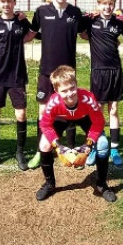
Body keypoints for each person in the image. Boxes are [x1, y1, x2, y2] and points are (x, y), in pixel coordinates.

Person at [27, 0, 88, 169]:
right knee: (44, 111)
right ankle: (40, 150)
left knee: (70, 110)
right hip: (46, 71)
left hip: (67, 73)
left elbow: (86, 34)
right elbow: (31, 32)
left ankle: (71, 151)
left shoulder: (76, 13)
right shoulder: (41, 11)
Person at [35, 65, 116, 203]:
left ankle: (102, 184)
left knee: (102, 143)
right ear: (56, 90)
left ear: (76, 84)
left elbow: (98, 122)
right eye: (64, 90)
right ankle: (50, 184)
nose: (70, 93)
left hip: (84, 117)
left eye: (72, 88)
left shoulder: (88, 98)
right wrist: (57, 146)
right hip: (61, 118)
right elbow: (45, 124)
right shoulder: (54, 102)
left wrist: (89, 143)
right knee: (44, 145)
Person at [0, 0, 37, 170]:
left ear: (14, 2)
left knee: (20, 113)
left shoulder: (21, 21)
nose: (6, 4)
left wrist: (26, 23)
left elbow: (32, 33)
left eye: (9, 1)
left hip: (17, 75)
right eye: (3, 1)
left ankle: (20, 152)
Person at [80, 0, 123, 166]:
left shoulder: (117, 23)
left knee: (114, 110)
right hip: (98, 72)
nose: (107, 7)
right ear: (98, 5)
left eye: (110, 4)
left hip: (115, 71)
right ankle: (96, 147)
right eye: (104, 4)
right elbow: (80, 31)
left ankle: (114, 149)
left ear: (114, 6)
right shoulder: (90, 21)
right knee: (98, 111)